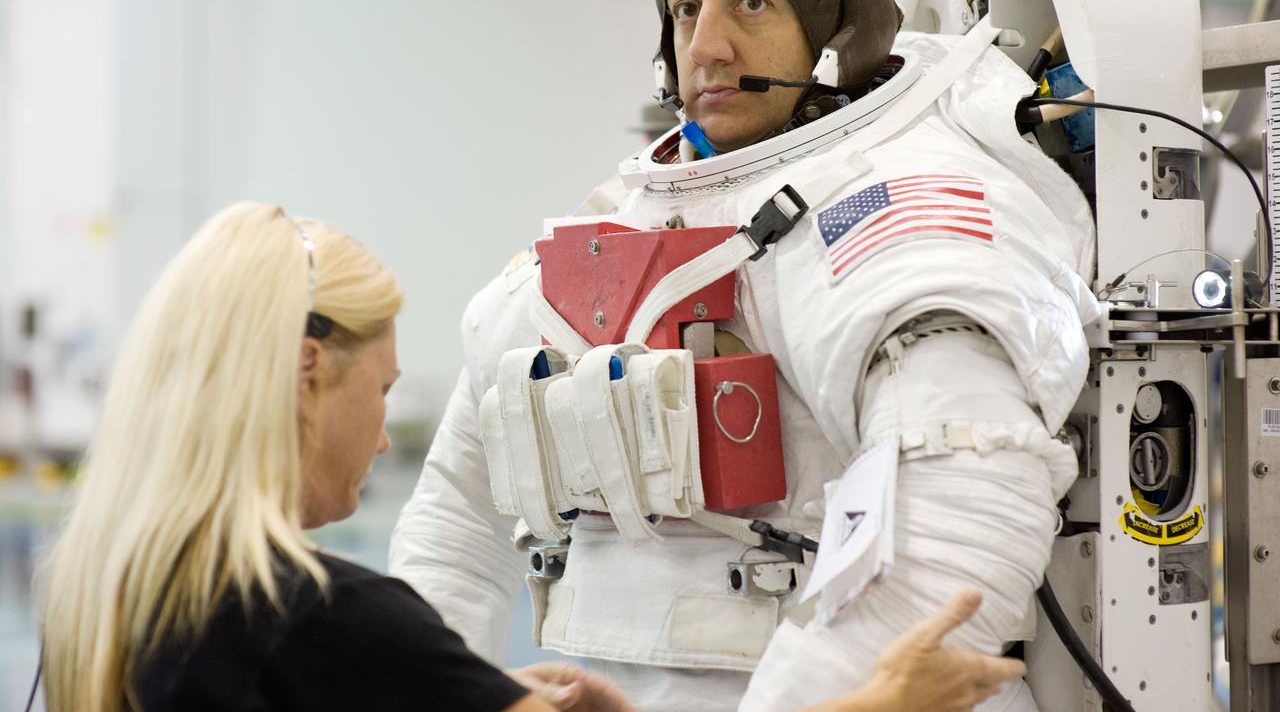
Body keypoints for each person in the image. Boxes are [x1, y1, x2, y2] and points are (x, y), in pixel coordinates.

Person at [391, 0, 1098, 712]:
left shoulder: (901, 206)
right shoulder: (616, 220)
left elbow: (961, 514)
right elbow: (454, 525)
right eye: (685, 10)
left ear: (838, 31)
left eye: (750, 2)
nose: (709, 46)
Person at [32, 201, 1024, 712]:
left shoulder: (122, 589)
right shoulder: (329, 618)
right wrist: (885, 697)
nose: (381, 436)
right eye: (377, 392)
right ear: (303, 372)